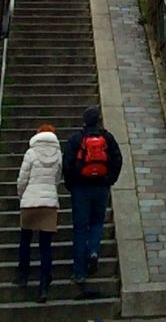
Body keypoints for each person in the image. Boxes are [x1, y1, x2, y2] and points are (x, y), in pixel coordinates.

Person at [62, 105, 122, 297]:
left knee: (80, 229)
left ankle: (79, 272)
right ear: (98, 120)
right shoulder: (107, 138)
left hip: (81, 189)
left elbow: (68, 164)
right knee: (97, 223)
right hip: (101, 188)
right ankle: (94, 251)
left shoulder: (76, 139)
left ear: (84, 121)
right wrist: (109, 180)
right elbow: (117, 159)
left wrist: (71, 184)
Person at [15, 123, 63, 302]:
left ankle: (23, 275)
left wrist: (22, 196)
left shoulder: (31, 153)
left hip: (30, 201)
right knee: (45, 246)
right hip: (49, 203)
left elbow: (22, 178)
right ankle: (43, 286)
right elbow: (58, 178)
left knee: (25, 240)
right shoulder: (58, 154)